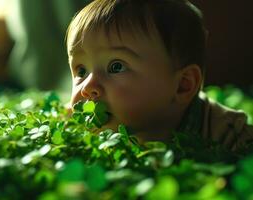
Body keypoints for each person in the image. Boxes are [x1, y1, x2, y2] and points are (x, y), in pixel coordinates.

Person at [65, 0, 253, 153]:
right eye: (81, 71)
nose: (88, 87)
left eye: (116, 66)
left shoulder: (231, 136)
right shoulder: (83, 122)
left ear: (183, 85)